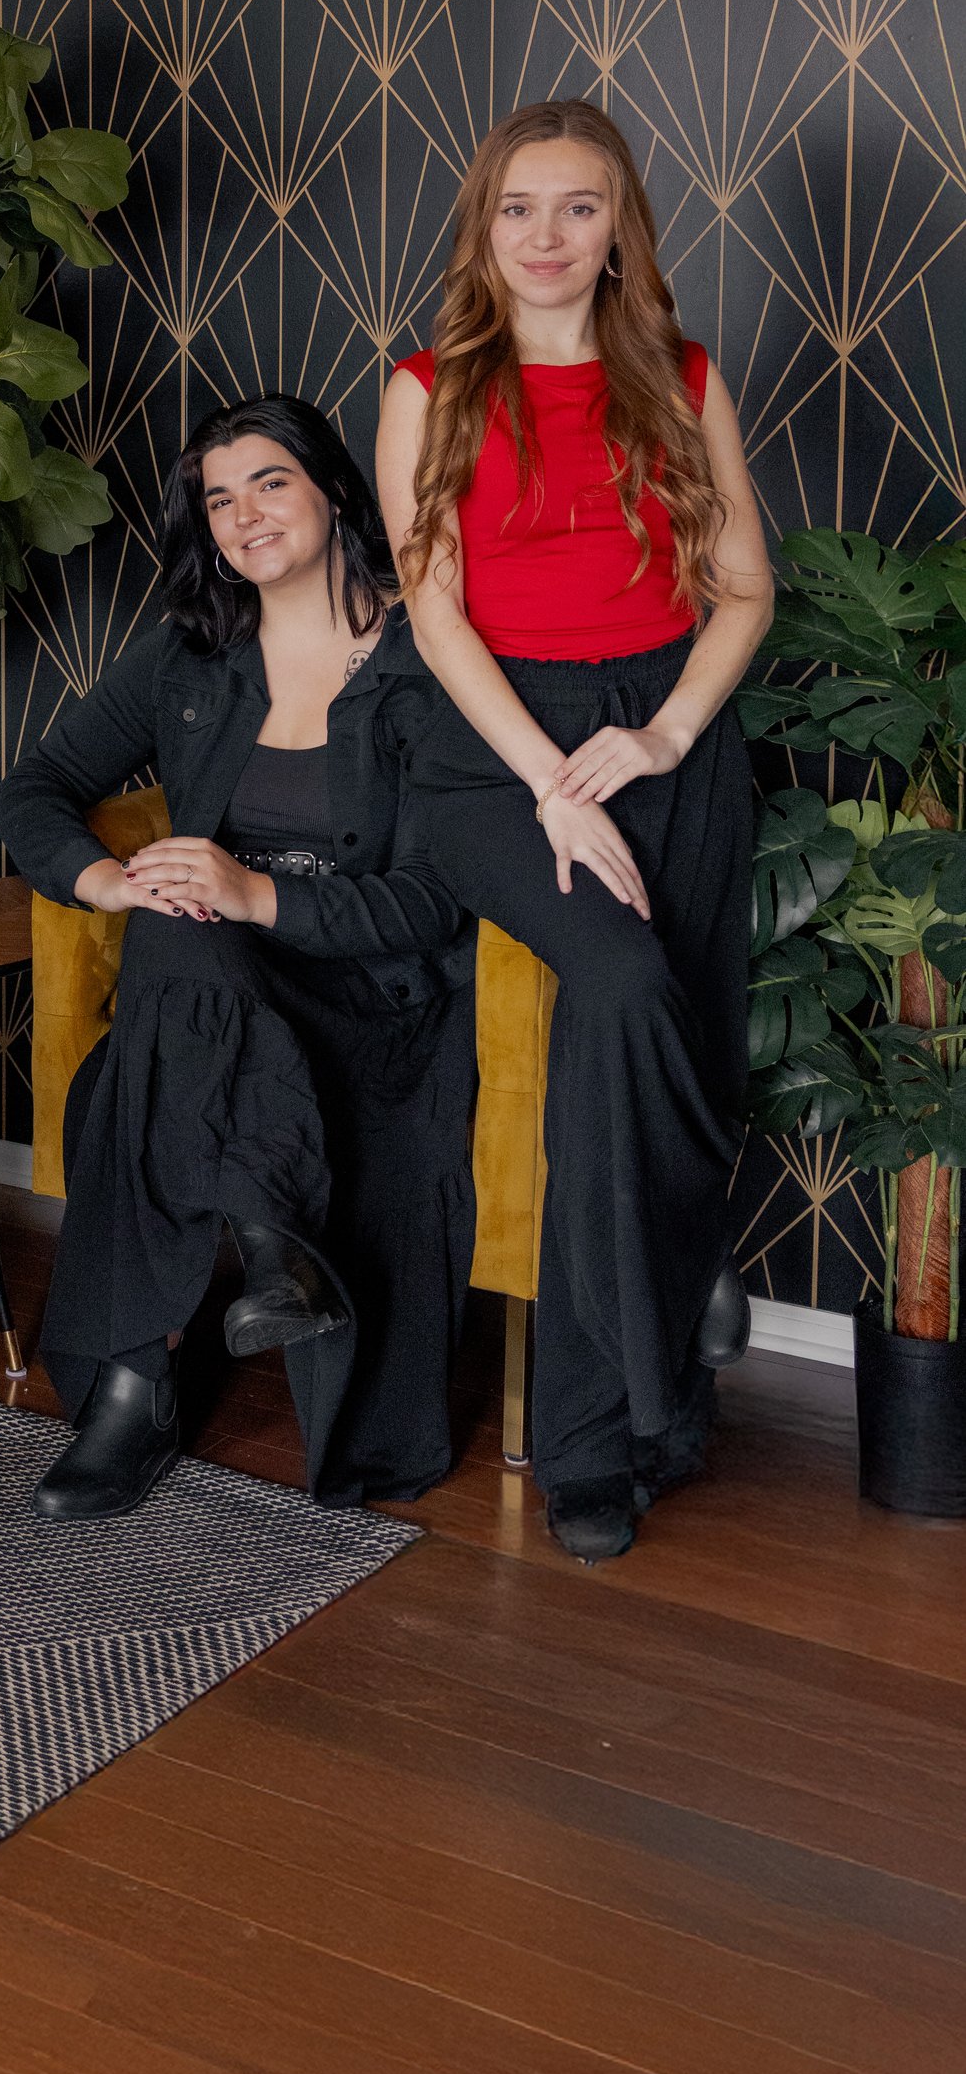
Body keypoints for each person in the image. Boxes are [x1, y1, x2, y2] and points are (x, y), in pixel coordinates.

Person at [375, 100, 773, 1566]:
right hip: (495, 757)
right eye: (519, 209)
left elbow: (743, 588)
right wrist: (551, 780)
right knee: (617, 984)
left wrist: (664, 737)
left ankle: (649, 1398)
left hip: (669, 736)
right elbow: (434, 611)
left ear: (622, 230)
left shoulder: (679, 376)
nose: (547, 238)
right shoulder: (430, 384)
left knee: (686, 1040)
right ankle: (602, 1442)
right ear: (484, 227)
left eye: (581, 208)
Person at [0, 398, 474, 1521]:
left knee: (165, 991)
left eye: (268, 482)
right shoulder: (189, 655)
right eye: (218, 498)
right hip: (209, 976)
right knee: (171, 919)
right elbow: (33, 789)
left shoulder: (424, 660)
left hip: (362, 993)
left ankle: (136, 1382)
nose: (242, 514)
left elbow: (432, 901)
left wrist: (255, 892)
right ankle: (272, 1254)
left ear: (332, 492)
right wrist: (102, 878)